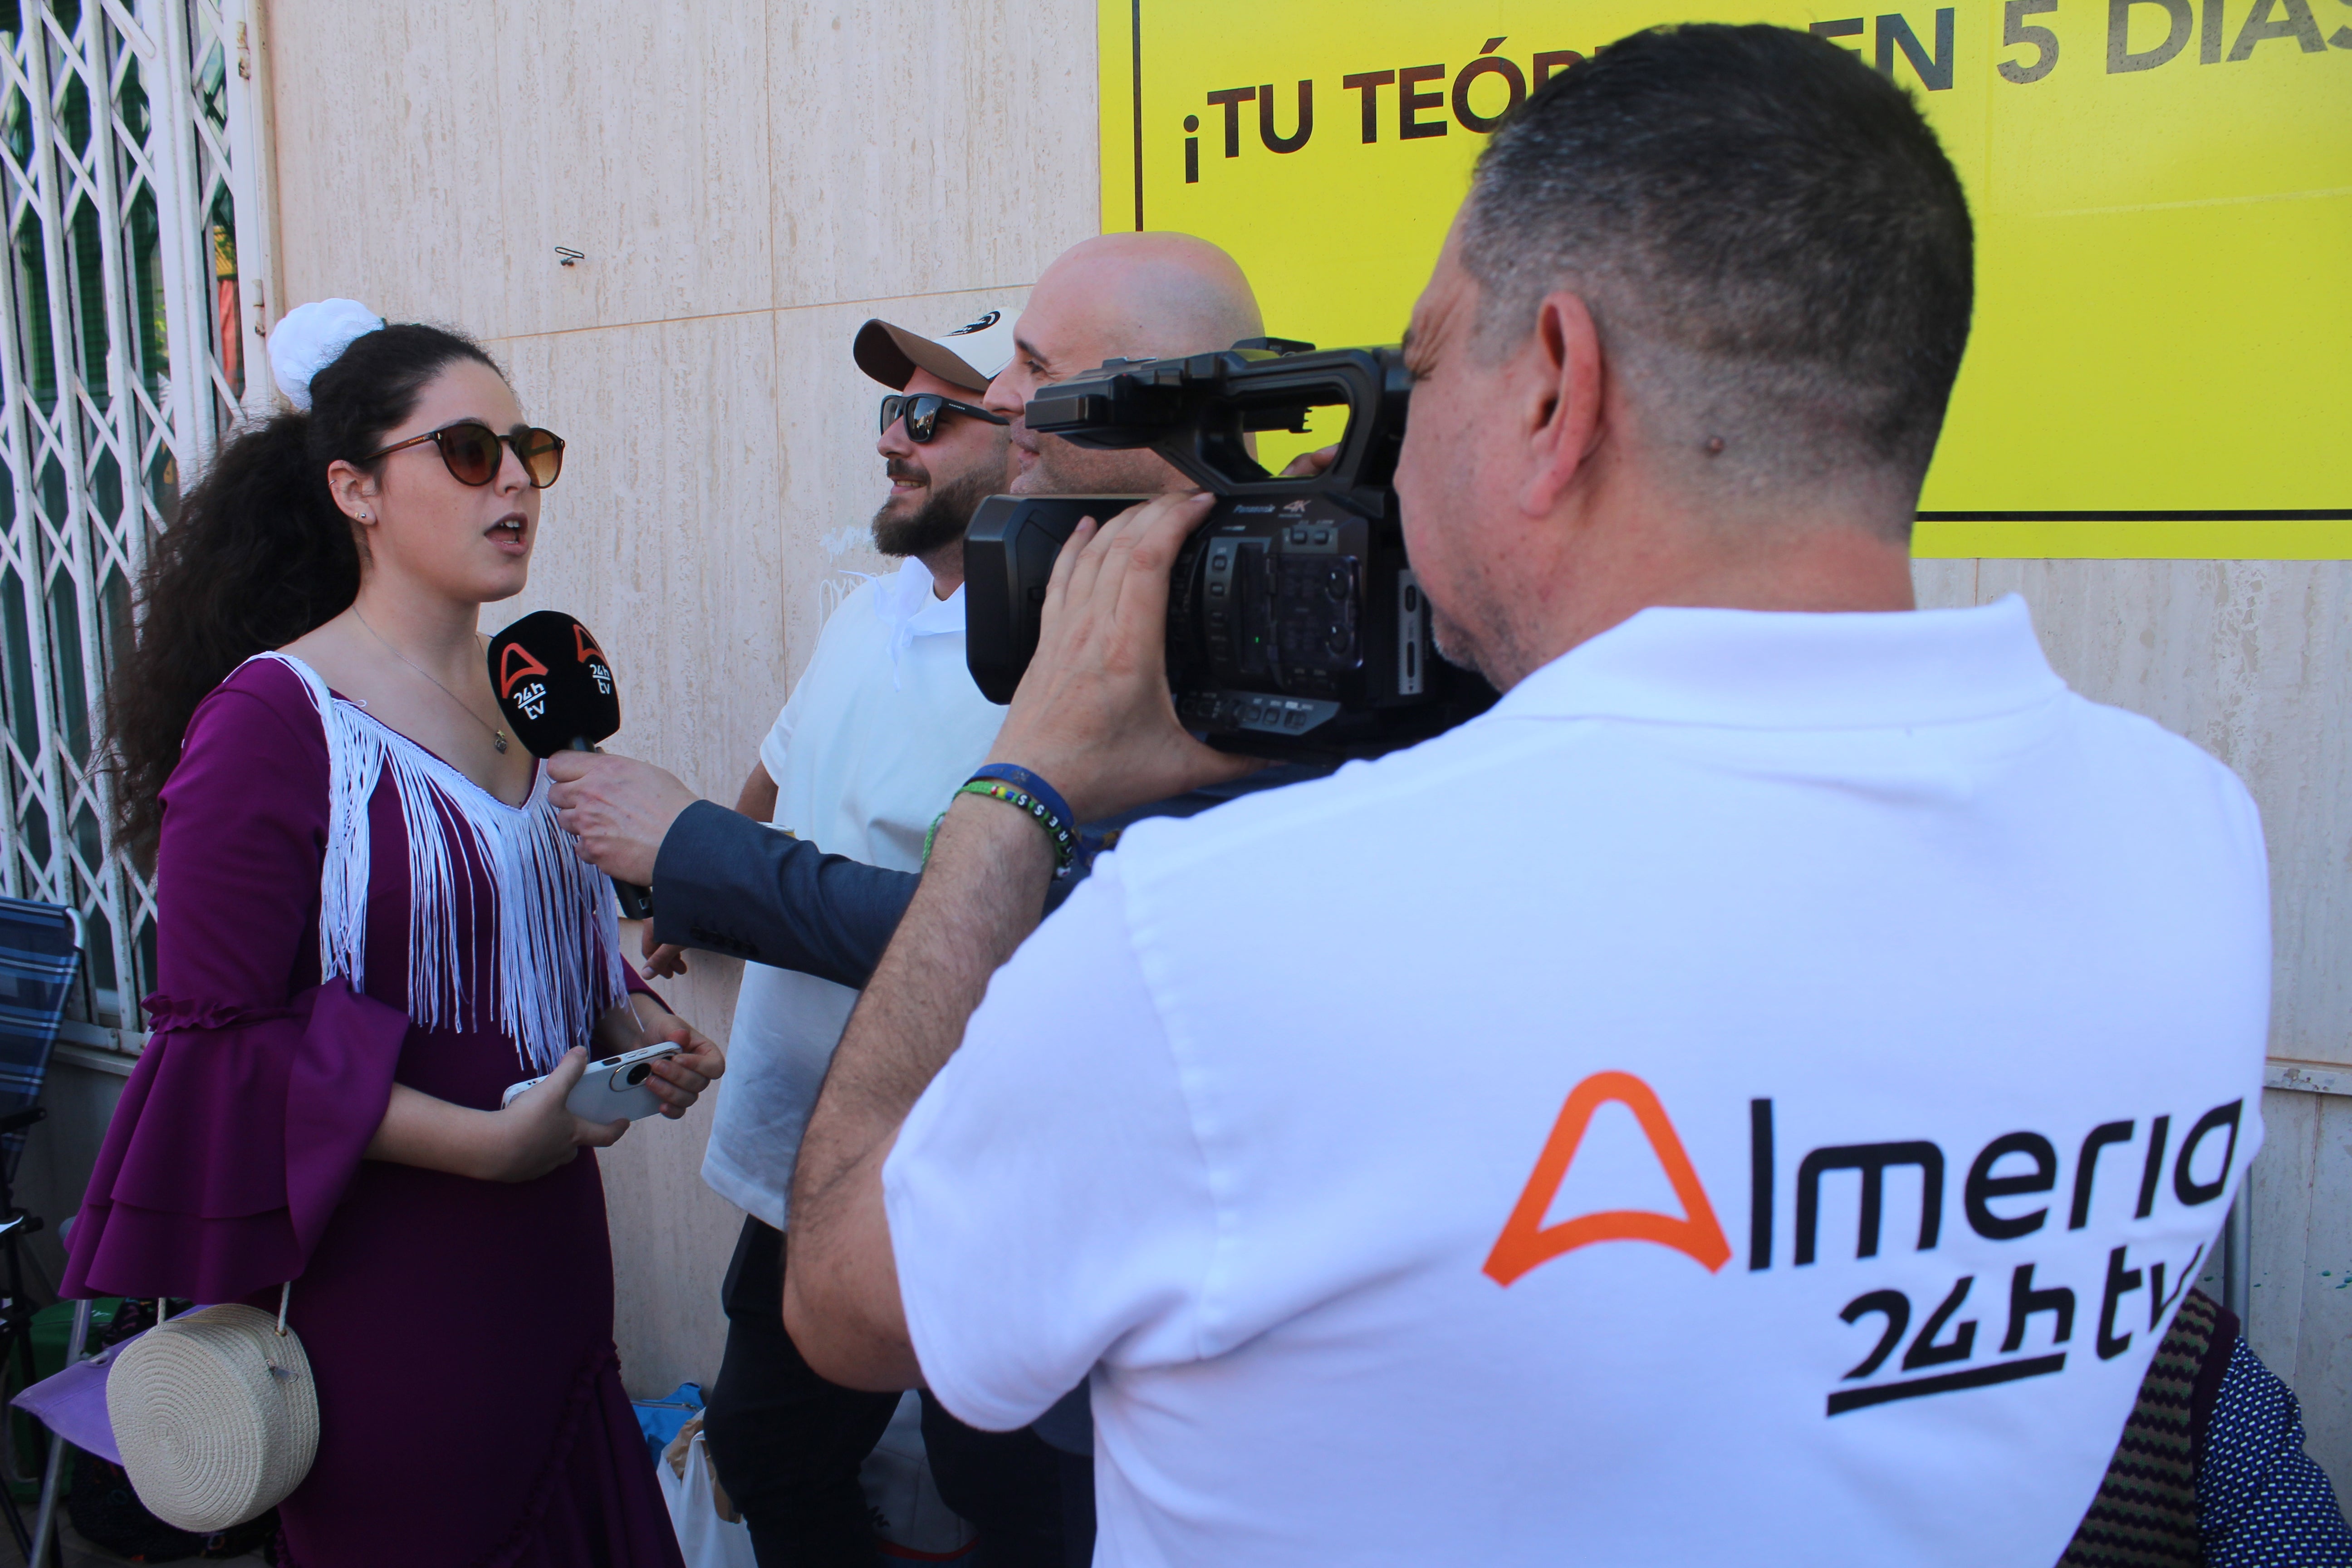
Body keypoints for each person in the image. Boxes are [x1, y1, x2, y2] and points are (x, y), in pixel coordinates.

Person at [779, 26, 2277, 1568]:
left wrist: (1015, 791)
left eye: (1420, 370)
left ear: (1558, 385)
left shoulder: (1225, 945)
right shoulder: (2197, 843)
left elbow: (841, 1297)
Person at [548, 237, 1268, 1565]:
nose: (904, 435)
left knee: (1006, 1489)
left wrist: (696, 848)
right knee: (773, 1449)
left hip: (966, 1164)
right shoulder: (871, 616)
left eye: (949, 406)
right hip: (799, 1143)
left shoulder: (1081, 638)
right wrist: (695, 886)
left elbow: (989, 921)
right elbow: (788, 769)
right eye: (897, 407)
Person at [66, 303, 721, 1567]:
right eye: (468, 452)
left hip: (551, 1260)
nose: (515, 481)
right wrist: (481, 1146)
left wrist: (632, 1027)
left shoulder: (531, 688)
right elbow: (223, 1041)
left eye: (529, 449)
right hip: (384, 1278)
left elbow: (544, 939)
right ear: (356, 490)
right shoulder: (274, 720)